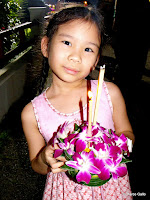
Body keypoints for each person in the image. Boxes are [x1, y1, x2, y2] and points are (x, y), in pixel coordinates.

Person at [21, 4, 135, 200]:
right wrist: (44, 158)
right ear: (45, 46)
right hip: (64, 193)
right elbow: (36, 164)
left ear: (96, 59)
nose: (76, 56)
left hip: (111, 189)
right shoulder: (32, 112)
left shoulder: (109, 93)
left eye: (88, 49)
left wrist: (113, 149)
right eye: (67, 42)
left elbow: (127, 133)